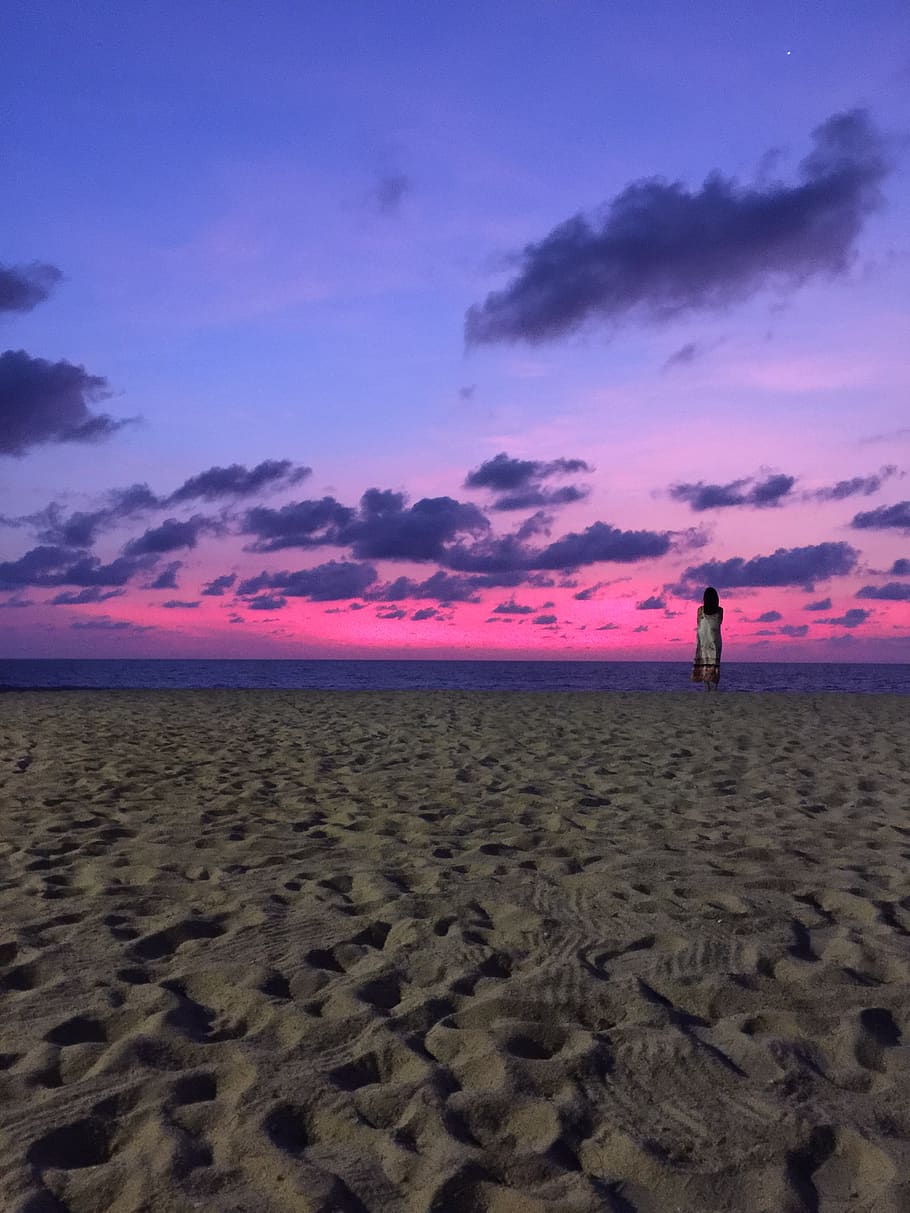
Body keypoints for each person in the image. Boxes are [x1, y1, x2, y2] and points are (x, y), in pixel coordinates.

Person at [691, 586, 723, 690]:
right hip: (715, 639)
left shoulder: (700, 610)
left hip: (703, 639)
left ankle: (707, 687)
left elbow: (698, 622)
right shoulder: (720, 611)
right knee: (715, 664)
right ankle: (715, 688)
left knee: (705, 663)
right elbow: (720, 622)